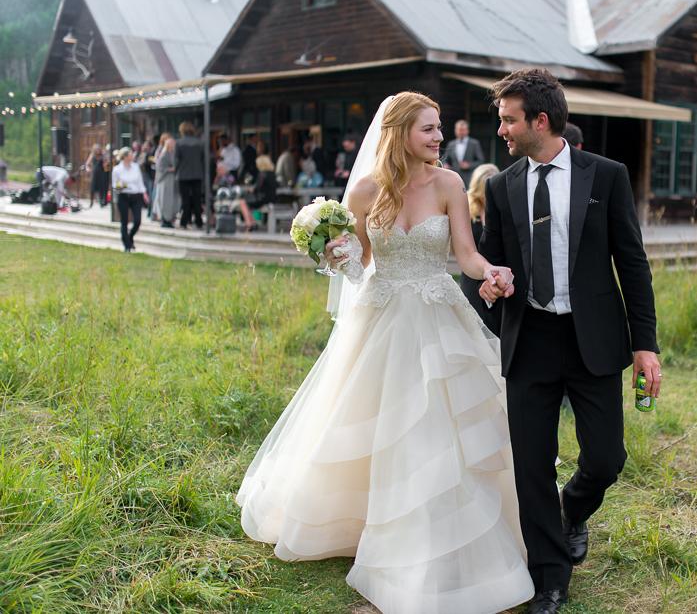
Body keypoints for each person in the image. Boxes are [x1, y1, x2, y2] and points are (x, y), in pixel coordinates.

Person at [237, 92, 534, 614]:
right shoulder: (367, 191)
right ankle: (361, 521)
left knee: (436, 423)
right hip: (380, 315)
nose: (438, 138)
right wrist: (335, 253)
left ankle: (434, 527)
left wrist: (490, 272)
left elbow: (464, 254)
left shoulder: (449, 184)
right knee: (372, 420)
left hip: (437, 315)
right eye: (428, 129)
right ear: (397, 133)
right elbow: (360, 264)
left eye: (439, 128)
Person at [477, 69, 660, 614]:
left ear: (540, 119)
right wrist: (490, 281)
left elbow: (632, 260)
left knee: (605, 459)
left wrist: (644, 344)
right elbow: (487, 262)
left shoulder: (606, 176)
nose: (502, 130)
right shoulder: (500, 186)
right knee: (531, 466)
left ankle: (573, 509)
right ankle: (550, 577)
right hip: (529, 340)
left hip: (594, 341)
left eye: (509, 120)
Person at [461, 163, 502, 335]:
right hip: (472, 275)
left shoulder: (502, 209)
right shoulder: (468, 211)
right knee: (473, 325)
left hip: (497, 274)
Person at [111, 147, 148, 252]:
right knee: (124, 222)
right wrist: (122, 185)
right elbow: (115, 185)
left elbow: (140, 182)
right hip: (124, 196)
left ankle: (130, 237)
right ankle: (127, 245)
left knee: (137, 220)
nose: (133, 156)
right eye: (131, 154)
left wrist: (144, 193)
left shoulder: (136, 167)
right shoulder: (117, 169)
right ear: (125, 156)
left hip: (136, 196)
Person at [236, 146, 278, 232]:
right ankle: (253, 222)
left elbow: (256, 188)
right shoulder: (272, 174)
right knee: (247, 202)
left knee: (242, 201)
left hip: (262, 199)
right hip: (272, 198)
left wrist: (249, 189)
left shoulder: (262, 174)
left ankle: (250, 223)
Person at [175, 121, 205, 229]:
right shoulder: (200, 143)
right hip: (197, 174)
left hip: (183, 175)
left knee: (185, 199)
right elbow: (203, 159)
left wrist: (175, 170)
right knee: (197, 199)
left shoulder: (179, 143)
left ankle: (184, 221)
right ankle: (199, 221)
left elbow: (176, 160)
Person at [441, 119, 485, 187]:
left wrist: (469, 165)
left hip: (469, 179)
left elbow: (481, 161)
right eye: (459, 129)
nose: (460, 132)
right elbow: (445, 159)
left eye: (463, 130)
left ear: (467, 131)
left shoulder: (474, 143)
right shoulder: (451, 144)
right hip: (454, 179)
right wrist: (445, 164)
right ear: (455, 131)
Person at [153, 133, 179, 228]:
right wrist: (170, 169)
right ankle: (165, 219)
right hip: (165, 180)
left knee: (172, 200)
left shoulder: (173, 153)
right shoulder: (164, 154)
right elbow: (159, 167)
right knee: (165, 200)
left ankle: (170, 218)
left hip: (172, 181)